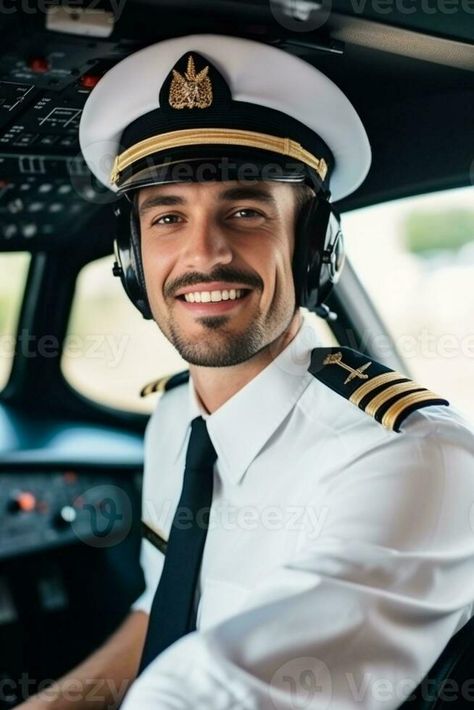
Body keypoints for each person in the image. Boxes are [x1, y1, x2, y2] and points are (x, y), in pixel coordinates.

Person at [18, 33, 474, 710]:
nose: (204, 253)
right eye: (168, 216)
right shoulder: (178, 418)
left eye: (245, 211)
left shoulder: (412, 457)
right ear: (134, 261)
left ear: (313, 249)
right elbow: (161, 613)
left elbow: (226, 690)